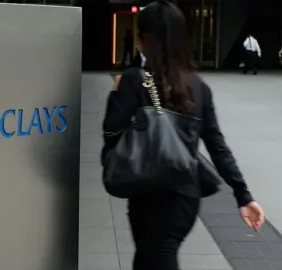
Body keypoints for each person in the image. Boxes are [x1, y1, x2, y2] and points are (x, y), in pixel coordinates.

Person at [103, 1, 265, 269]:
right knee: (147, 258)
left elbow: (111, 133)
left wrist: (114, 95)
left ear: (144, 40)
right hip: (184, 196)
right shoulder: (199, 87)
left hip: (148, 194)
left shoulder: (133, 79)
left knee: (155, 256)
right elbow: (217, 146)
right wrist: (243, 195)